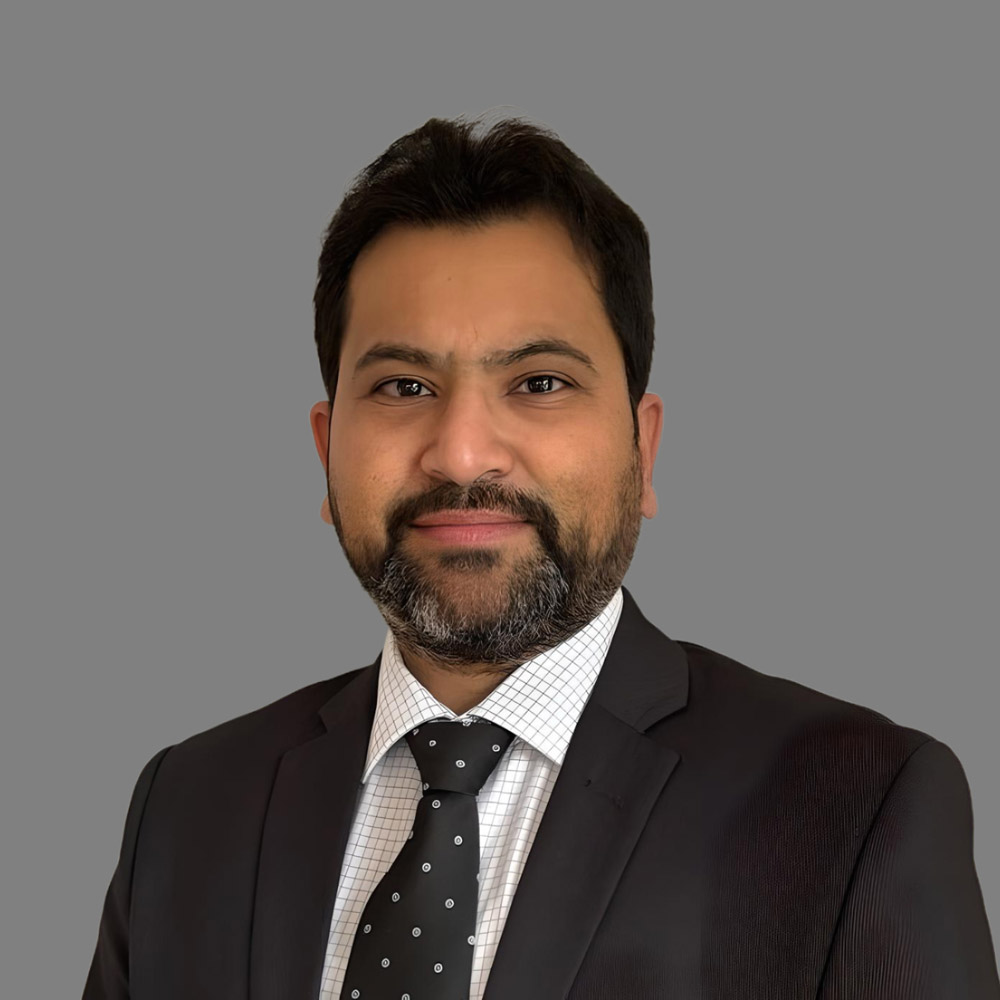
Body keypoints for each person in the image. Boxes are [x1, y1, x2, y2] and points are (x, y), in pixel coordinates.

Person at [83, 113, 1000, 1000]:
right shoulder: (187, 808)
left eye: (539, 382)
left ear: (643, 449)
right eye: (403, 386)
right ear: (326, 449)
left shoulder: (855, 807)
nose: (462, 454)